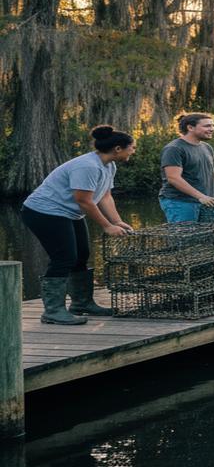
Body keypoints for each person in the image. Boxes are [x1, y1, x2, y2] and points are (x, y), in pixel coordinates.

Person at [21, 125, 137, 325]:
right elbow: (84, 201)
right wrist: (106, 226)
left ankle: (82, 304)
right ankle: (53, 311)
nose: (133, 151)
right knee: (64, 257)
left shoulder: (109, 165)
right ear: (118, 148)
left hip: (69, 214)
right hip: (44, 211)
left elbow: (105, 196)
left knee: (81, 255)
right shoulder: (88, 166)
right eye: (132, 147)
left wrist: (116, 221)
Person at [159, 112, 214, 223]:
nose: (213, 129)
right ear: (190, 127)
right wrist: (201, 197)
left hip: (208, 201)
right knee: (185, 237)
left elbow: (211, 173)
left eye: (213, 125)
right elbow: (173, 178)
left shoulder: (207, 147)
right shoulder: (174, 148)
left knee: (210, 237)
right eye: (207, 126)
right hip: (180, 202)